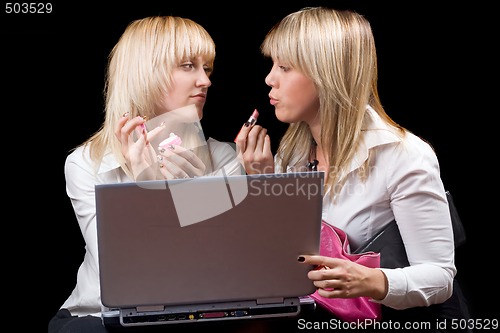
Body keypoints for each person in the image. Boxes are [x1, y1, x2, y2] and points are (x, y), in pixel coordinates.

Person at [235, 6, 466, 330]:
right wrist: (265, 183)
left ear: (326, 73)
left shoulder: (402, 155)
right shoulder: (291, 154)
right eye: (273, 64)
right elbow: (285, 257)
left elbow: (440, 278)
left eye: (284, 67)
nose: (269, 78)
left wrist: (374, 281)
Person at [49, 15, 244, 333]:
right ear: (145, 71)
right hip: (99, 319)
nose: (205, 81)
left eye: (206, 68)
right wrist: (148, 190)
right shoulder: (87, 163)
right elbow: (126, 272)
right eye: (187, 65)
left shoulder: (224, 158)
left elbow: (220, 265)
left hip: (192, 318)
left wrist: (181, 191)